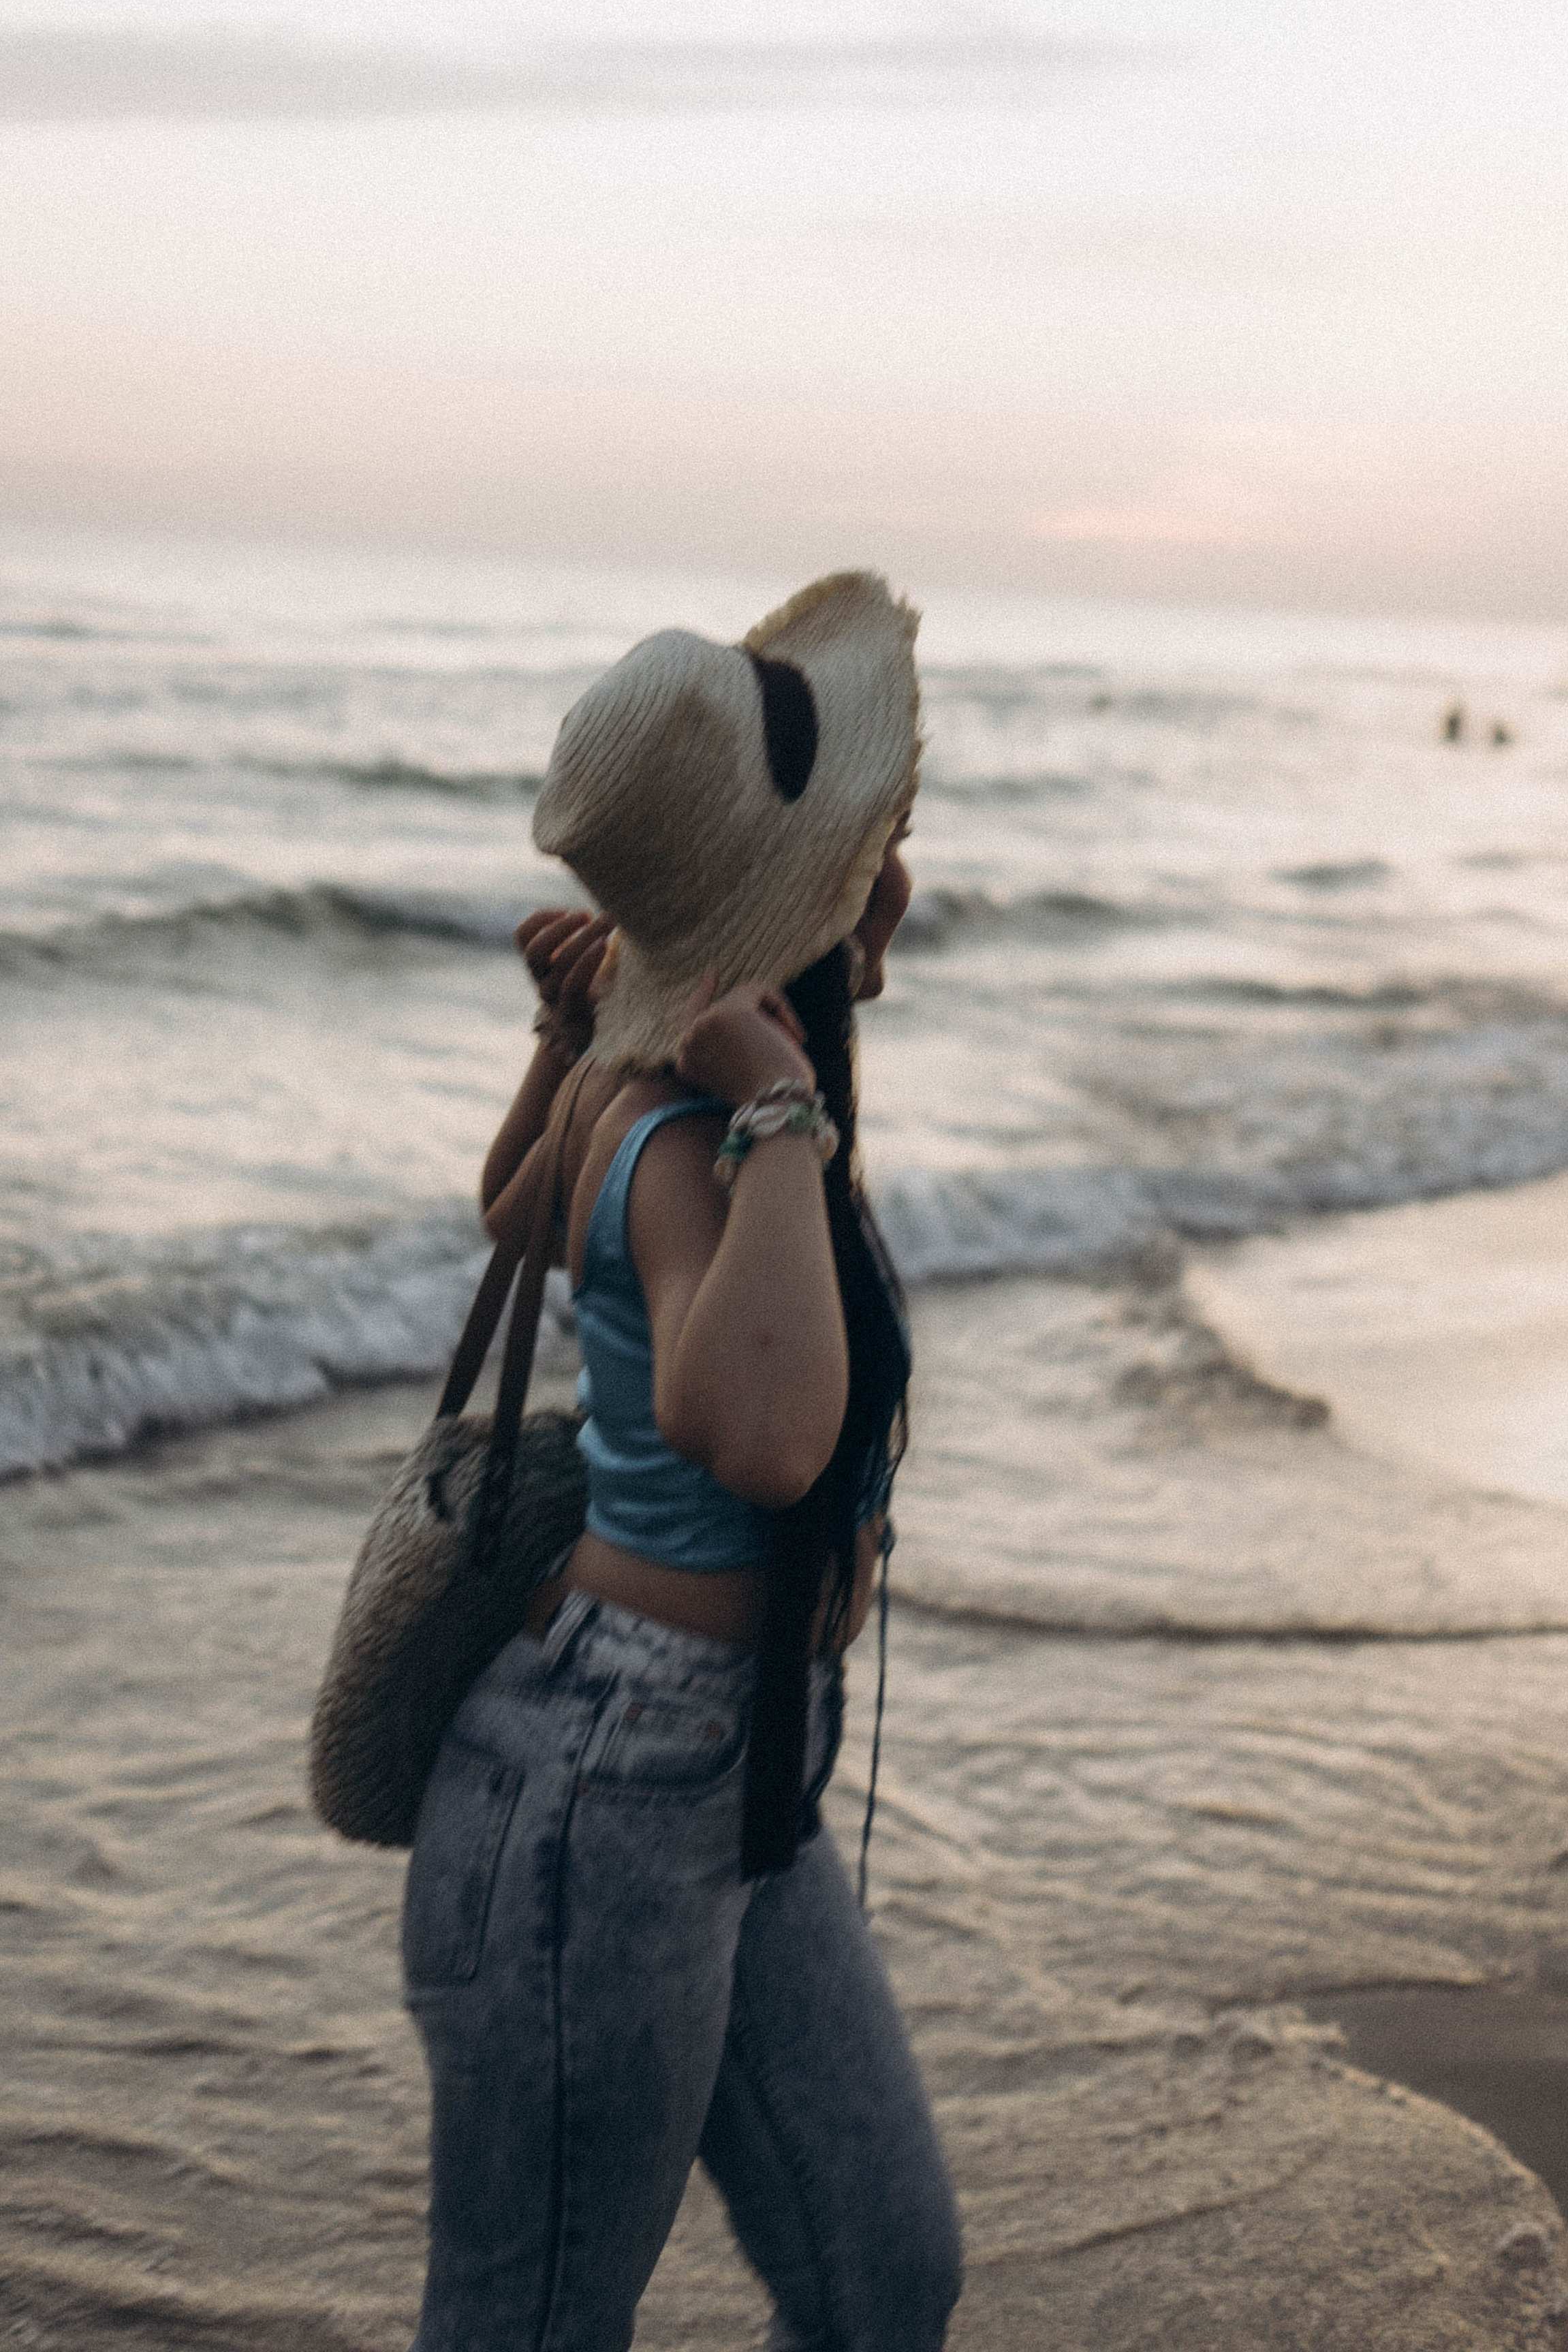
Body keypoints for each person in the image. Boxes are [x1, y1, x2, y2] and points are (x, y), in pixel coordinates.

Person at [401, 571, 963, 2352]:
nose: (899, 857)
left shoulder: (660, 1072)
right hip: (612, 1784)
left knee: (886, 2275)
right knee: (537, 2321)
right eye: (875, 833)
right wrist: (782, 1122)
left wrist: (590, 1044)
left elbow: (517, 1212)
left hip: (726, 1758)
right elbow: (769, 1437)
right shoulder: (706, 1125)